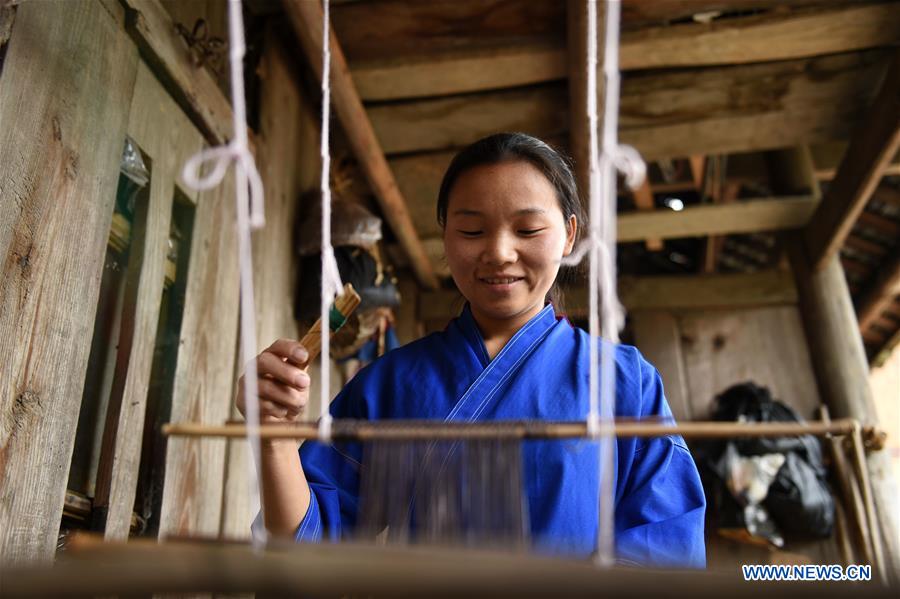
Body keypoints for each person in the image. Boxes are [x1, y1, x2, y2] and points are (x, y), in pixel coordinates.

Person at [237, 132, 706, 568]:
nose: (499, 252)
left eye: (526, 230)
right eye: (472, 231)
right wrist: (276, 440)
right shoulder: (388, 384)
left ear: (568, 235)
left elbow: (666, 551)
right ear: (445, 236)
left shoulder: (625, 382)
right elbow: (308, 551)